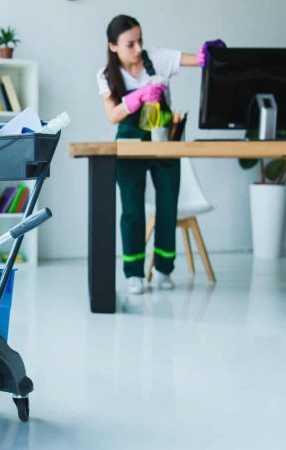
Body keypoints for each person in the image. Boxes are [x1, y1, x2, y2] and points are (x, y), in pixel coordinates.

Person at [96, 14, 224, 295]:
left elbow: (196, 60)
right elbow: (113, 115)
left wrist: (207, 54)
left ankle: (165, 269)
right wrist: (138, 97)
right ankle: (134, 273)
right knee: (131, 210)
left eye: (140, 40)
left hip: (164, 142)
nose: (138, 48)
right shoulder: (107, 76)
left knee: (168, 206)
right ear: (114, 46)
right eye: (130, 44)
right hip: (129, 144)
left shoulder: (157, 59)